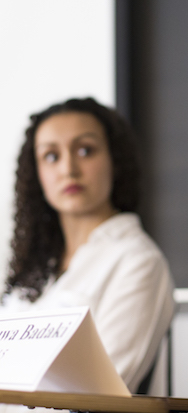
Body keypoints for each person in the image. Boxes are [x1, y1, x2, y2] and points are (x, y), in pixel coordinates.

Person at [1, 97, 175, 394]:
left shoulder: (138, 261)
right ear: (37, 173)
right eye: (51, 156)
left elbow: (101, 394)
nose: (69, 168)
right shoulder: (33, 269)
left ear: (114, 160)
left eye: (85, 151)